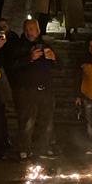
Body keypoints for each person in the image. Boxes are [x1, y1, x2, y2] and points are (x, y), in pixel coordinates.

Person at [12, 17, 58, 159]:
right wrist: (29, 58)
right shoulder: (18, 46)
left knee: (46, 120)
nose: (29, 32)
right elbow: (13, 66)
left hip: (45, 90)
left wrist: (54, 58)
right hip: (27, 91)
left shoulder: (45, 46)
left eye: (31, 29)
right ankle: (24, 150)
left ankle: (43, 148)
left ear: (38, 30)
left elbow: (57, 65)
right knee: (27, 121)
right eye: (26, 30)